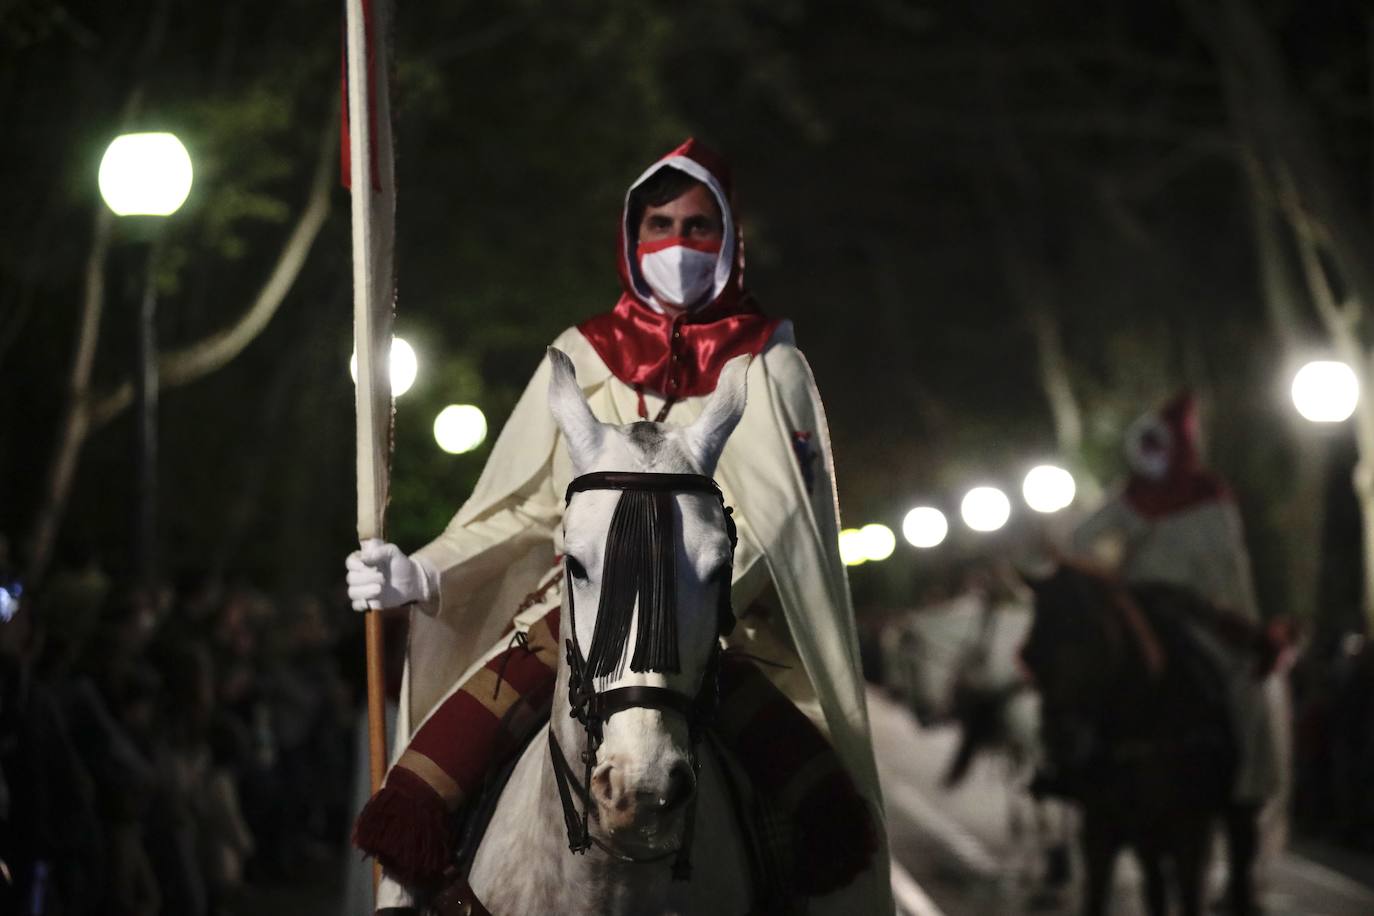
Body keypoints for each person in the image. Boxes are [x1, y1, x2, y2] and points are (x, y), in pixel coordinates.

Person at [346, 139, 891, 912]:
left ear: (730, 237)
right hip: (571, 611)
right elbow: (529, 504)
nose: (677, 244)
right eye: (659, 224)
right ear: (631, 239)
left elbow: (780, 525)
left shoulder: (770, 366)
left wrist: (681, 592)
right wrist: (424, 568)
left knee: (832, 816)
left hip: (719, 626)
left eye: (698, 226)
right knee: (416, 798)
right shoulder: (581, 355)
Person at [1071, 390, 1283, 903]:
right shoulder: (1127, 499)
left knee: (1243, 693)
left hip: (1204, 617)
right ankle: (1072, 765)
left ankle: (1245, 797)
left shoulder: (1214, 497)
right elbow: (1083, 541)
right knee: (1084, 674)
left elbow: (1229, 571)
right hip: (1138, 607)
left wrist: (1232, 619)